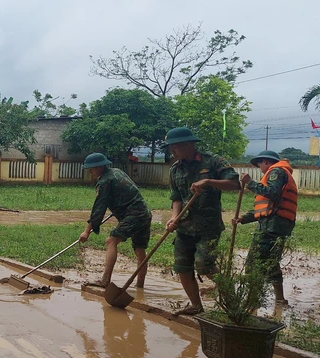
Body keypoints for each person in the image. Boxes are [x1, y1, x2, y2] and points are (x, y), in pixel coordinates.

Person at [164, 127, 240, 315]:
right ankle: (196, 306)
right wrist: (174, 217)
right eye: (171, 148)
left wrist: (208, 182)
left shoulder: (213, 161)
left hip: (208, 226)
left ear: (188, 144)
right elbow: (176, 197)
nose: (172, 151)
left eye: (175, 147)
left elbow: (235, 184)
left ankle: (233, 303)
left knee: (204, 264)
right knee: (182, 266)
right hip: (184, 226)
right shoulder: (175, 169)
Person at [232, 150, 297, 305]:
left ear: (266, 162)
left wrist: (250, 182)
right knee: (271, 262)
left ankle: (253, 300)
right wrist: (244, 218)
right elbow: (267, 207)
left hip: (272, 226)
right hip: (274, 224)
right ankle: (280, 300)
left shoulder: (276, 172)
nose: (260, 167)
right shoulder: (280, 172)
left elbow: (272, 194)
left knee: (254, 262)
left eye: (260, 163)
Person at [78, 153, 152, 288]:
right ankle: (140, 286)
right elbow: (130, 191)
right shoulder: (117, 172)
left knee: (111, 240)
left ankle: (105, 280)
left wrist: (86, 232)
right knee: (140, 249)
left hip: (134, 214)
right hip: (145, 212)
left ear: (100, 167)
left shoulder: (104, 181)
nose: (90, 171)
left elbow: (98, 208)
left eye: (92, 168)